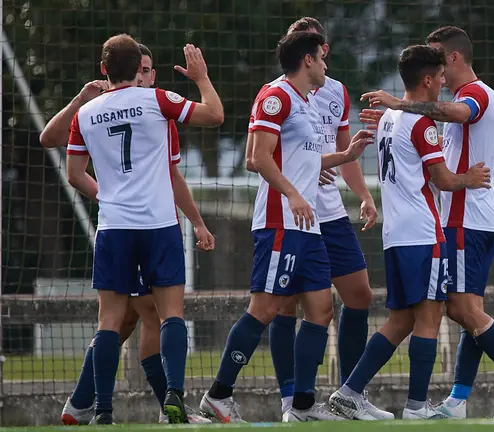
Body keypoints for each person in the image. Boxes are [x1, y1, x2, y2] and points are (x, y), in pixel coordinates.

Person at [360, 26, 494, 419]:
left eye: (438, 56)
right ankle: (458, 400)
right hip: (462, 216)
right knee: (467, 308)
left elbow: (459, 114)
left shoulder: (474, 94)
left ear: (453, 58)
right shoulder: (451, 101)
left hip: (467, 216)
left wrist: (400, 105)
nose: (436, 68)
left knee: (461, 307)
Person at [198, 30, 373, 423]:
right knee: (266, 307)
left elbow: (305, 161)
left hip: (307, 226)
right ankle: (218, 395)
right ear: (307, 60)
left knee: (321, 308)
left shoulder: (307, 103)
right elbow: (257, 158)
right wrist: (293, 194)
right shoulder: (275, 96)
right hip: (281, 221)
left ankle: (303, 405)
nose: (326, 64)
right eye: (322, 57)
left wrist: (345, 155)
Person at [47, 43, 214, 425]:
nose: (148, 74)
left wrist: (109, 195)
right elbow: (214, 116)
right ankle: (172, 401)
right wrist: (201, 78)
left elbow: (74, 173)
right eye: (144, 67)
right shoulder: (157, 104)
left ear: (104, 68)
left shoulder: (90, 114)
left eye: (151, 69)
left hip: (115, 227)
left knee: (116, 321)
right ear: (137, 70)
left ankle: (98, 409)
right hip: (157, 225)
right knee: (161, 317)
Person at [328, 44, 491, 420]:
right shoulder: (421, 123)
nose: (443, 87)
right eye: (440, 79)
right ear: (428, 79)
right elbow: (444, 181)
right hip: (422, 231)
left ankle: (350, 391)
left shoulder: (388, 119)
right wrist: (471, 178)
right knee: (430, 316)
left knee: (401, 320)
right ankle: (417, 406)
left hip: (396, 235)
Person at [255, 17, 379, 418]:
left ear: (322, 48)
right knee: (286, 306)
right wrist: (302, 173)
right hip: (293, 212)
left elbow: (345, 152)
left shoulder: (336, 91)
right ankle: (293, 399)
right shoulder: (280, 93)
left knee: (359, 293)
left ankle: (350, 393)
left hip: (328, 209)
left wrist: (363, 195)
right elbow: (261, 156)